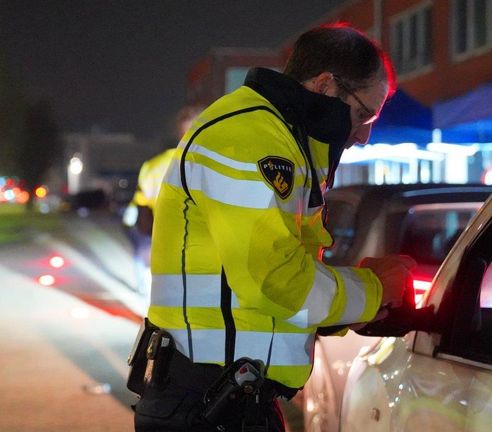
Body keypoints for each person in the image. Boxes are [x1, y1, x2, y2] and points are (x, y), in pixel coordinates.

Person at [129, 23, 415, 432]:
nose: (366, 134)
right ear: (324, 86)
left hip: (225, 398)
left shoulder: (282, 138)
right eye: (363, 113)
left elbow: (276, 281)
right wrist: (372, 289)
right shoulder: (248, 138)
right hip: (207, 402)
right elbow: (272, 279)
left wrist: (353, 297)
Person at [122, 105, 203, 298]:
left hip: (164, 242)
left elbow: (141, 204)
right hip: (200, 247)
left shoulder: (153, 166)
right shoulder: (213, 165)